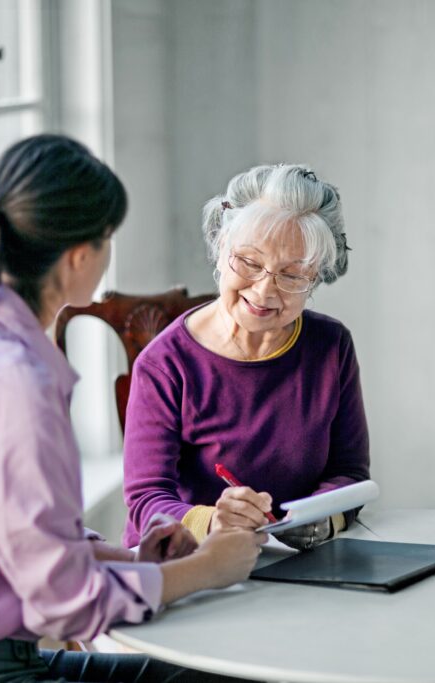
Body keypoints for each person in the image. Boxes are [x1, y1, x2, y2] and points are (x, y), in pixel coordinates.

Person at [0, 134, 264, 682]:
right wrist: (207, 569)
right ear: (78, 257)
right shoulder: (11, 382)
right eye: (108, 237)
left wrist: (131, 560)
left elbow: (24, 545)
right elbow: (64, 605)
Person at [122, 164, 370, 552]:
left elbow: (350, 473)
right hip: (190, 562)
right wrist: (212, 522)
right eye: (250, 263)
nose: (265, 290)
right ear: (221, 249)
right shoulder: (165, 364)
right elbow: (145, 499)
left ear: (316, 278)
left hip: (294, 564)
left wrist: (323, 519)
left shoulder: (331, 346)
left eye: (292, 275)